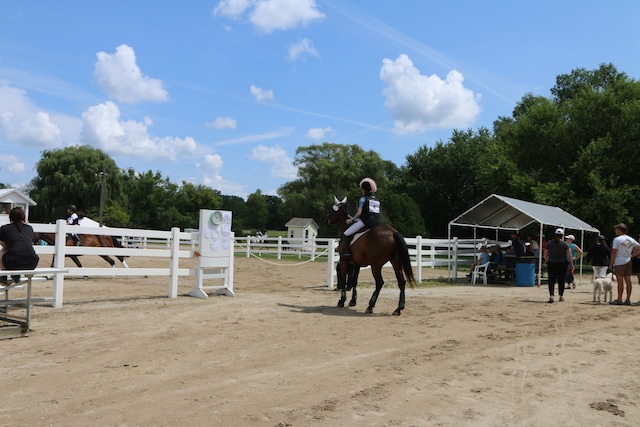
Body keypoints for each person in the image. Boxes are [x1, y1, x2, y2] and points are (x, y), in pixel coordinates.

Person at [342, 178, 380, 260]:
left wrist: (351, 220)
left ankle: (347, 254)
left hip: (365, 222)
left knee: (346, 234)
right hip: (376, 223)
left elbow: (359, 213)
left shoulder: (363, 198)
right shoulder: (376, 199)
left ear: (363, 189)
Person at [0, 207, 40, 285]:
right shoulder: (29, 228)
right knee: (21, 250)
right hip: (32, 263)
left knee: (3, 251)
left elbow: (4, 246)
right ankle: (16, 276)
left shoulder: (5, 228)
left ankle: (3, 277)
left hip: (13, 263)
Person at [609, 223, 640, 305]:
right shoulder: (631, 239)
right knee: (628, 280)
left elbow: (614, 252)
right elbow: (638, 247)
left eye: (616, 230)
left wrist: (611, 263)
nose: (615, 231)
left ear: (619, 230)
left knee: (620, 281)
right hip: (628, 260)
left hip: (619, 261)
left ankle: (619, 299)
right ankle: (628, 299)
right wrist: (632, 255)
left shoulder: (617, 239)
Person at [543, 228, 573, 303]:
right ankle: (561, 296)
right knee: (561, 280)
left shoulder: (550, 243)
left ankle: (551, 295)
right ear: (562, 235)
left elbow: (545, 253)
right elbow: (570, 255)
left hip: (552, 263)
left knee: (551, 280)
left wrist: (546, 260)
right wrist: (571, 264)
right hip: (562, 263)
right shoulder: (565, 244)